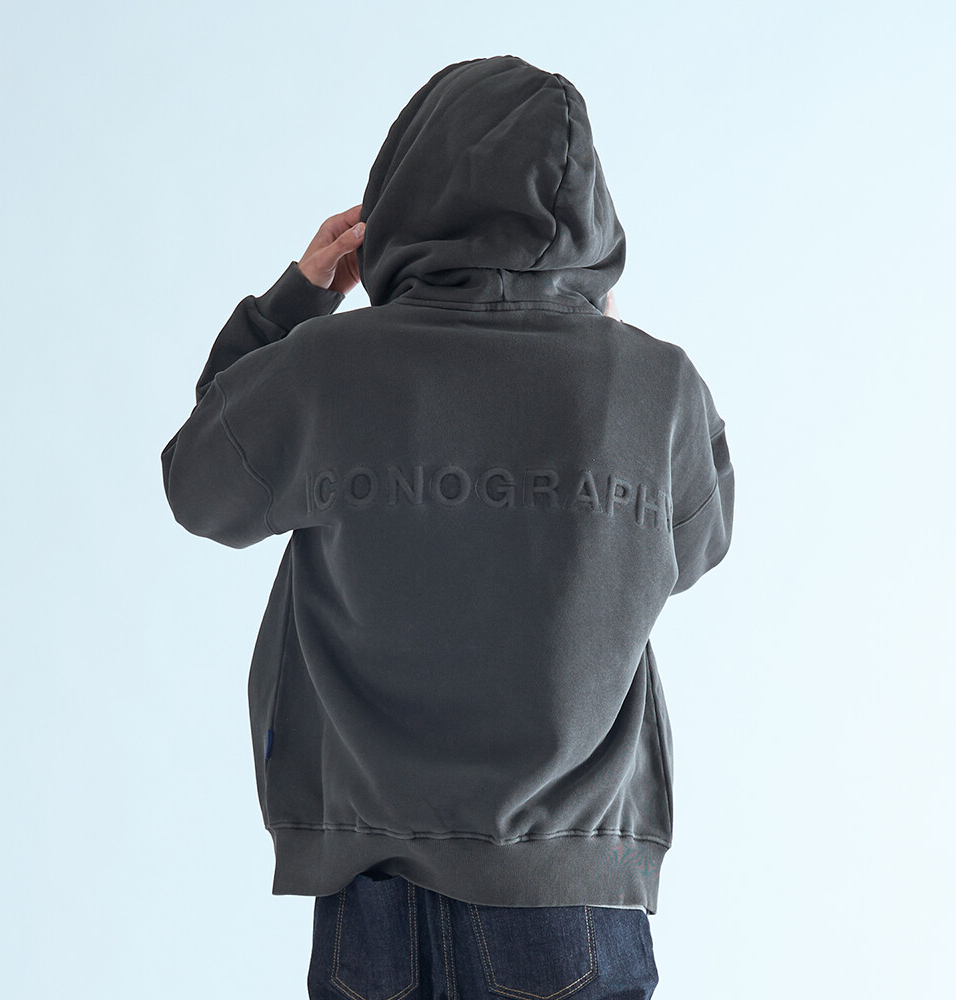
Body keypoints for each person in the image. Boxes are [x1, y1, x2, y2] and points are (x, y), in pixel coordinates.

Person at [161, 54, 734, 1000]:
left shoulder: (327, 365)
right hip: (572, 884)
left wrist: (297, 297)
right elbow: (698, 544)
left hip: (368, 886)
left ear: (403, 187)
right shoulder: (657, 385)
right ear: (590, 211)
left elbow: (200, 482)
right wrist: (600, 335)